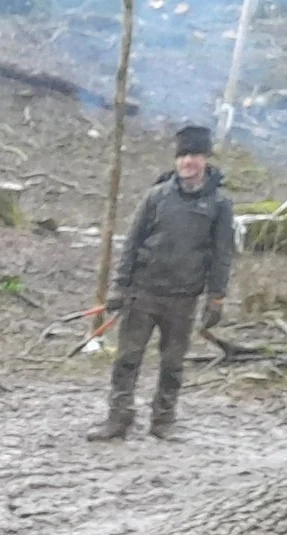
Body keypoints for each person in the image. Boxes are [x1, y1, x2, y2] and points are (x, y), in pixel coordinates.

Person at [90, 124, 235, 442]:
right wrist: (120, 286)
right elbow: (132, 242)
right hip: (143, 293)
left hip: (183, 298)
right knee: (127, 359)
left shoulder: (220, 205)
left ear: (205, 160)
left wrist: (216, 298)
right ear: (176, 160)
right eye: (183, 156)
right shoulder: (156, 197)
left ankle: (164, 420)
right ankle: (118, 418)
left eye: (195, 156)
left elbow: (223, 254)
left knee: (172, 364)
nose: (188, 162)